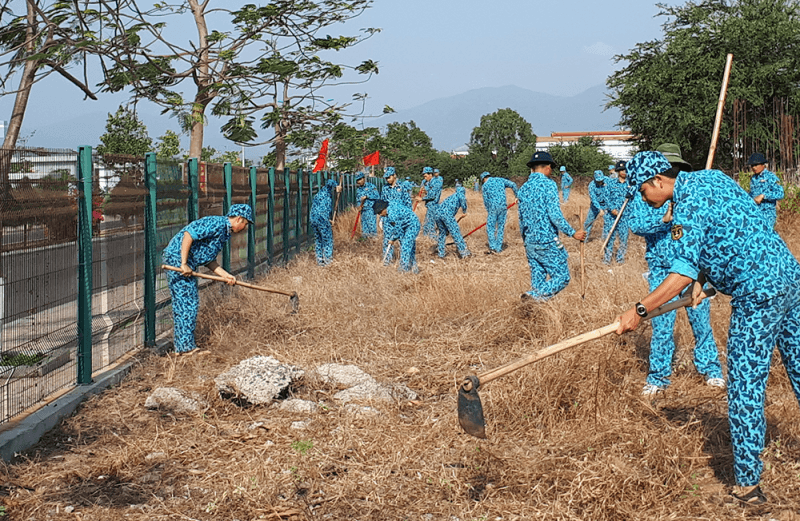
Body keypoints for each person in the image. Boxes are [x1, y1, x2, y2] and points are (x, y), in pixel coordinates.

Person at [617, 150, 800, 506]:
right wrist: (706, 276)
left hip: (758, 293)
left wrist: (639, 310)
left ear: (658, 180)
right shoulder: (712, 178)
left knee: (746, 386)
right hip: (790, 278)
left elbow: (680, 271)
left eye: (641, 191)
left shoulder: (684, 206)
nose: (642, 198)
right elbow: (729, 230)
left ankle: (748, 486)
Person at [627, 145, 724, 395]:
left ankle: (711, 370)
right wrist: (663, 220)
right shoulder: (644, 194)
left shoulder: (690, 195)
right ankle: (658, 377)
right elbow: (636, 225)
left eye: (677, 169)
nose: (674, 173)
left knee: (701, 321)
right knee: (661, 324)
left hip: (694, 271)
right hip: (662, 268)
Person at [162, 204, 253, 354]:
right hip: (177, 260)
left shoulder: (224, 232)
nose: (245, 227)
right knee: (187, 303)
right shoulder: (216, 224)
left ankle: (182, 347)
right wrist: (183, 263)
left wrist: (225, 275)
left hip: (187, 263)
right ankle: (185, 349)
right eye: (245, 224)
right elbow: (188, 234)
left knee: (186, 303)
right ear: (239, 220)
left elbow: (209, 260)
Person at [518, 151, 586, 300]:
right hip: (547, 241)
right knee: (562, 277)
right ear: (548, 167)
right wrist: (573, 233)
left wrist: (526, 240)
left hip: (530, 242)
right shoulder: (548, 185)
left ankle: (534, 312)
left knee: (538, 281)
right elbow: (554, 215)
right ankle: (532, 297)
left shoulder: (523, 188)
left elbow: (521, 219)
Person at [373, 199, 420, 273]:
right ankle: (414, 269)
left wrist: (392, 239)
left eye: (379, 213)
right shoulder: (390, 208)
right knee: (409, 248)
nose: (380, 215)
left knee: (405, 246)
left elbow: (398, 230)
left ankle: (403, 270)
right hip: (406, 225)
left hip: (412, 225)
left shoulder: (392, 214)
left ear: (383, 209)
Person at [480, 171, 518, 254]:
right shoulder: (500, 180)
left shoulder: (485, 186)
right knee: (500, 227)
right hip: (503, 207)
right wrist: (517, 196)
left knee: (490, 228)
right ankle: (498, 248)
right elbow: (513, 185)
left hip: (493, 208)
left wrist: (489, 210)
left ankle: (493, 247)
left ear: (483, 179)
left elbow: (486, 201)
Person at [746, 152, 784, 229]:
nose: (754, 168)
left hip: (767, 214)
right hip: (755, 213)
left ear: (763, 165)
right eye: (752, 166)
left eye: (756, 165)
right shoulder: (754, 178)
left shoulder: (770, 177)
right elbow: (753, 193)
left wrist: (764, 196)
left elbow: (780, 193)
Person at [602, 160, 630, 264]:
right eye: (621, 170)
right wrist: (612, 209)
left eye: (625, 170)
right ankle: (607, 259)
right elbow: (606, 197)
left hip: (624, 216)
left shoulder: (631, 185)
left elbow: (633, 201)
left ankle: (620, 260)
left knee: (623, 239)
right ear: (617, 171)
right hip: (611, 216)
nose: (624, 172)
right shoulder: (611, 183)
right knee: (609, 238)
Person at [310, 178, 342, 266]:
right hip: (322, 219)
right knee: (327, 240)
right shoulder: (327, 195)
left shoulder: (319, 194)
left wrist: (329, 220)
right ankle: (328, 262)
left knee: (319, 240)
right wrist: (337, 186)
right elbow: (324, 211)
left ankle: (320, 261)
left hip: (313, 219)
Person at [435, 185, 470, 258]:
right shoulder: (460, 195)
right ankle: (464, 253)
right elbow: (463, 202)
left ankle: (441, 253)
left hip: (437, 214)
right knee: (455, 233)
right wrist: (464, 211)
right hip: (447, 215)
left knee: (442, 233)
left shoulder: (451, 196)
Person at [381, 167, 406, 262]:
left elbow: (407, 202)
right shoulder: (385, 188)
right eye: (386, 178)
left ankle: (404, 260)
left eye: (389, 177)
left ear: (394, 175)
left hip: (400, 218)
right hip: (388, 218)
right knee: (387, 240)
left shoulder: (402, 187)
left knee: (402, 239)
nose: (387, 179)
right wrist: (381, 218)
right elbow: (382, 203)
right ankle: (387, 260)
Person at [418, 166, 442, 239]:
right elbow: (428, 190)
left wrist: (422, 199)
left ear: (430, 175)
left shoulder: (436, 182)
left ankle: (434, 240)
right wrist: (425, 190)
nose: (425, 178)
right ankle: (425, 238)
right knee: (426, 225)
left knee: (430, 225)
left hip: (434, 206)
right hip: (430, 206)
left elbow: (432, 195)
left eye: (426, 176)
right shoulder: (429, 182)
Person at [355, 172, 380, 238]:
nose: (359, 181)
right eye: (357, 180)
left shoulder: (371, 186)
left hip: (370, 209)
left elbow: (377, 196)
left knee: (371, 225)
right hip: (363, 210)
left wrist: (367, 196)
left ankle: (373, 240)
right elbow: (358, 199)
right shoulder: (358, 190)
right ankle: (365, 240)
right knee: (364, 226)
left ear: (363, 178)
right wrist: (359, 206)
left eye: (360, 179)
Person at [584, 171, 607, 238]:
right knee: (588, 222)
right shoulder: (591, 185)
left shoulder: (608, 181)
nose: (600, 182)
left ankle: (605, 240)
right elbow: (593, 199)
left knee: (608, 223)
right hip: (595, 206)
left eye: (601, 181)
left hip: (606, 205)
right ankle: (584, 240)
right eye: (598, 181)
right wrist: (600, 209)